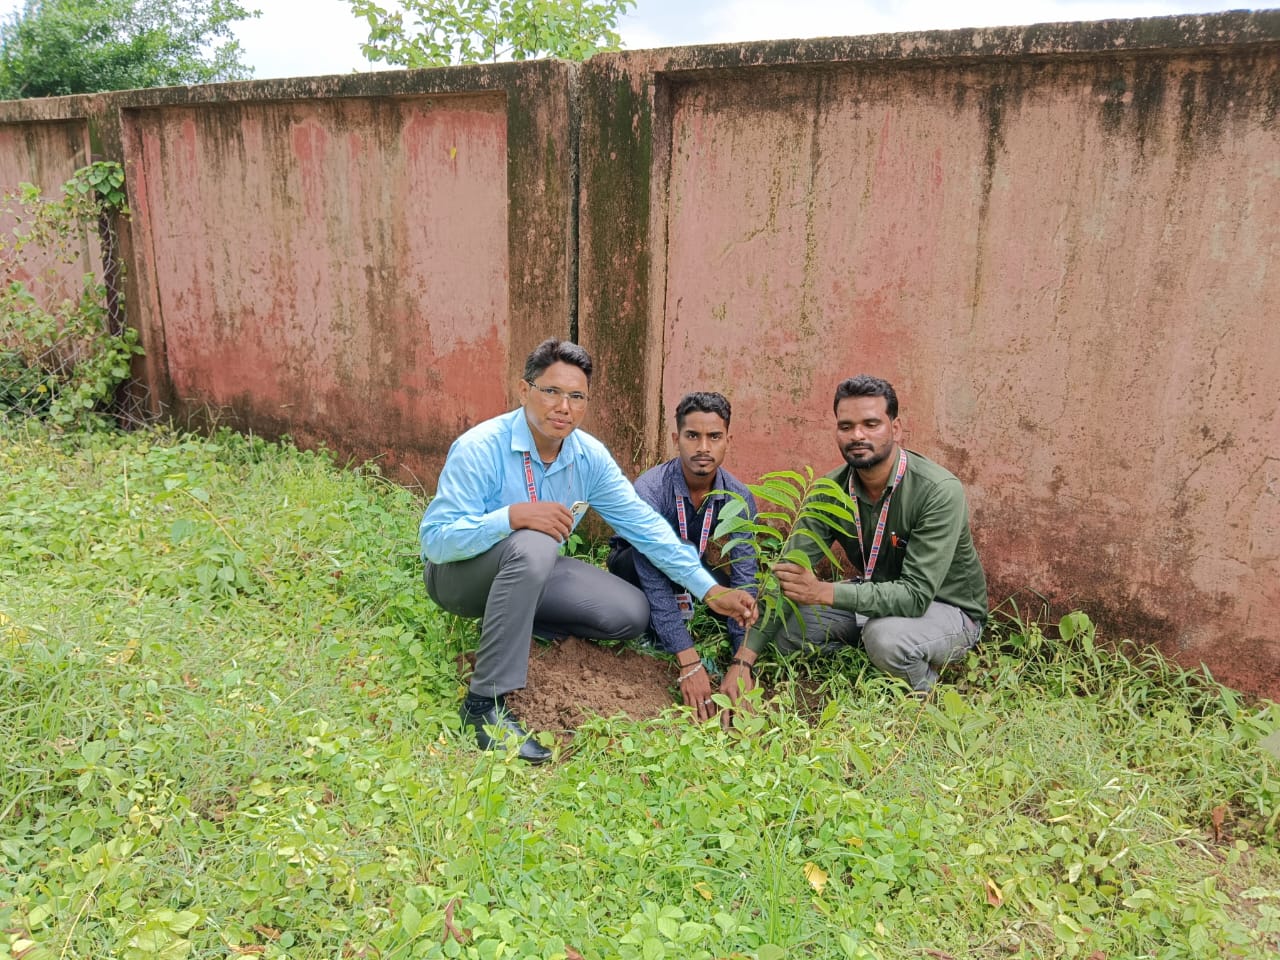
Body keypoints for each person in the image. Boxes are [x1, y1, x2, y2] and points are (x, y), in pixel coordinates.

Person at [420, 338, 758, 763]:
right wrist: (511, 517)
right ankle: (483, 705)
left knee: (629, 613)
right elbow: (436, 541)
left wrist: (710, 590)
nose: (564, 407)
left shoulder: (588, 457)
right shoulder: (481, 447)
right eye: (551, 391)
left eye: (576, 396)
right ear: (524, 390)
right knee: (534, 543)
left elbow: (647, 529)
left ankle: (516, 620)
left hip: (530, 571)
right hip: (457, 578)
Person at [720, 375, 987, 707]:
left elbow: (916, 596)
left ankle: (928, 697)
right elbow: (786, 576)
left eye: (871, 424)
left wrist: (822, 592)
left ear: (896, 429)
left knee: (886, 639)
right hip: (874, 598)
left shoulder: (938, 491)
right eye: (846, 426)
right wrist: (743, 661)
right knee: (783, 634)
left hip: (946, 609)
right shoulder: (829, 491)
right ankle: (879, 653)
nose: (857, 435)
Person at [606, 391, 758, 722]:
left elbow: (745, 578)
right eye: (692, 436)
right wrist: (688, 659)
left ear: (728, 441)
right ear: (676, 440)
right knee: (654, 563)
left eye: (714, 436)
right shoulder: (651, 489)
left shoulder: (739, 497)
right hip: (634, 565)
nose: (703, 447)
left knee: (729, 593)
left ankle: (681, 627)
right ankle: (654, 636)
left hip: (692, 569)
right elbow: (652, 571)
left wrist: (741, 661)